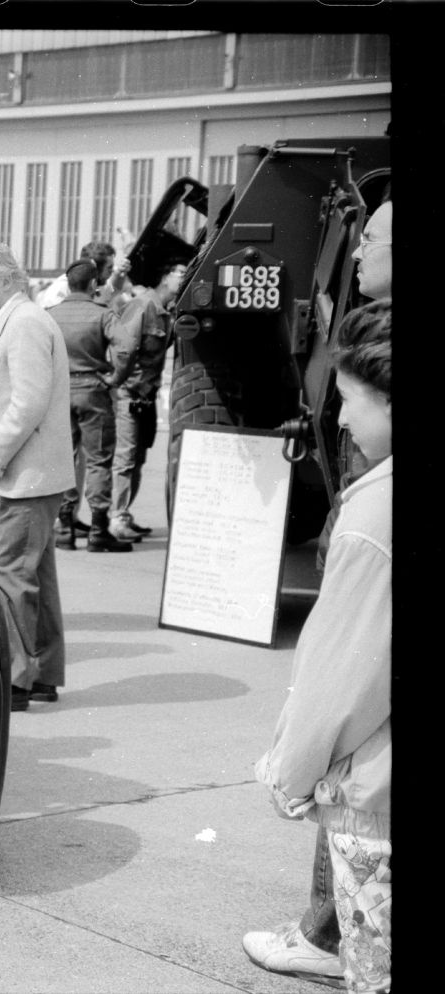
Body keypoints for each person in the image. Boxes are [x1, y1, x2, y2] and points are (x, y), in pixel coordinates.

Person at [245, 301, 390, 994]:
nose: (338, 418)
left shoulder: (372, 516)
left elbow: (344, 677)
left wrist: (290, 773)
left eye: (351, 401)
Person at [0, 242, 75, 711]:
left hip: (24, 477)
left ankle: (18, 680)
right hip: (35, 477)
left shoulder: (24, 322)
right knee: (35, 579)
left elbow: (26, 404)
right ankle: (42, 673)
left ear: (6, 279)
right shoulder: (22, 319)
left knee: (10, 574)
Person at [45, 260, 133, 553]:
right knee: (97, 459)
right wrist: (115, 377)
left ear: (68, 283)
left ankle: (66, 528)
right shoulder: (102, 314)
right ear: (94, 284)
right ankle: (97, 530)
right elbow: (126, 346)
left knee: (65, 458)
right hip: (93, 389)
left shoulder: (51, 315)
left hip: (60, 391)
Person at [106, 260, 187, 543]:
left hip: (146, 396)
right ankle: (115, 519)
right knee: (125, 459)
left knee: (138, 459)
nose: (186, 277)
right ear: (165, 277)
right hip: (129, 394)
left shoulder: (168, 313)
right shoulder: (143, 306)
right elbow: (122, 348)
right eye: (180, 273)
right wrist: (116, 382)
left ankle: (123, 514)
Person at [36, 241, 131, 312]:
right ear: (94, 268)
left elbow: (114, 289)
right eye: (109, 268)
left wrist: (120, 273)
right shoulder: (60, 289)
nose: (113, 271)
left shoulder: (98, 285)